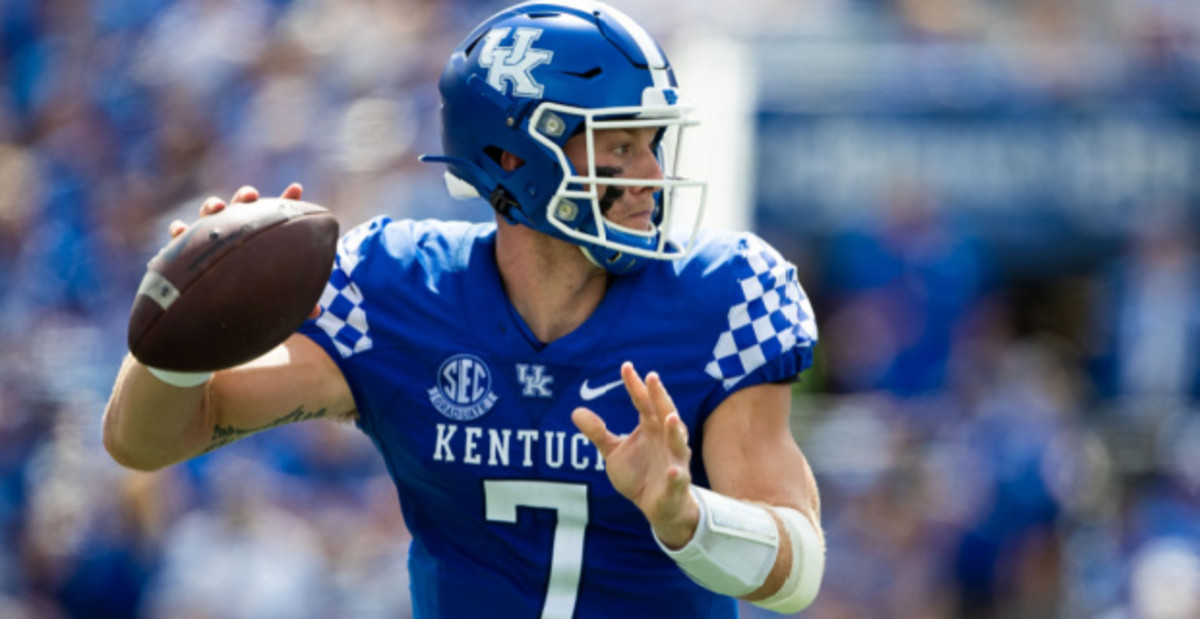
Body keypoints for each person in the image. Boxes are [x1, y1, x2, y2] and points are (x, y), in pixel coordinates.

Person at [103, 2, 826, 617]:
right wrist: (180, 323)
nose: (650, 176)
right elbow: (151, 440)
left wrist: (686, 518)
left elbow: (798, 574)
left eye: (653, 144)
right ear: (514, 159)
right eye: (619, 146)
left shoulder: (723, 295)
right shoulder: (399, 290)